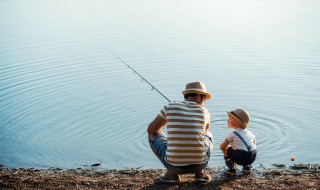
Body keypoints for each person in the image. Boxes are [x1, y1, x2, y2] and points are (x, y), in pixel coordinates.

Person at [147, 81, 214, 183]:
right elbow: (204, 132)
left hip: (174, 166)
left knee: (152, 134)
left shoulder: (170, 106)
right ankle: (200, 173)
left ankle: (171, 174)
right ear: (198, 97)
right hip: (200, 163)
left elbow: (151, 130)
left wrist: (169, 120)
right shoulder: (205, 112)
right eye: (204, 98)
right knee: (208, 135)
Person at [220, 108, 257, 175]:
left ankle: (231, 169)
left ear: (237, 122)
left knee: (226, 149)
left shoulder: (232, 134)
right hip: (252, 156)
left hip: (241, 157)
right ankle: (247, 167)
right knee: (246, 148)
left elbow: (222, 146)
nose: (227, 120)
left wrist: (226, 151)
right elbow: (254, 144)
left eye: (230, 118)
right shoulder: (250, 133)